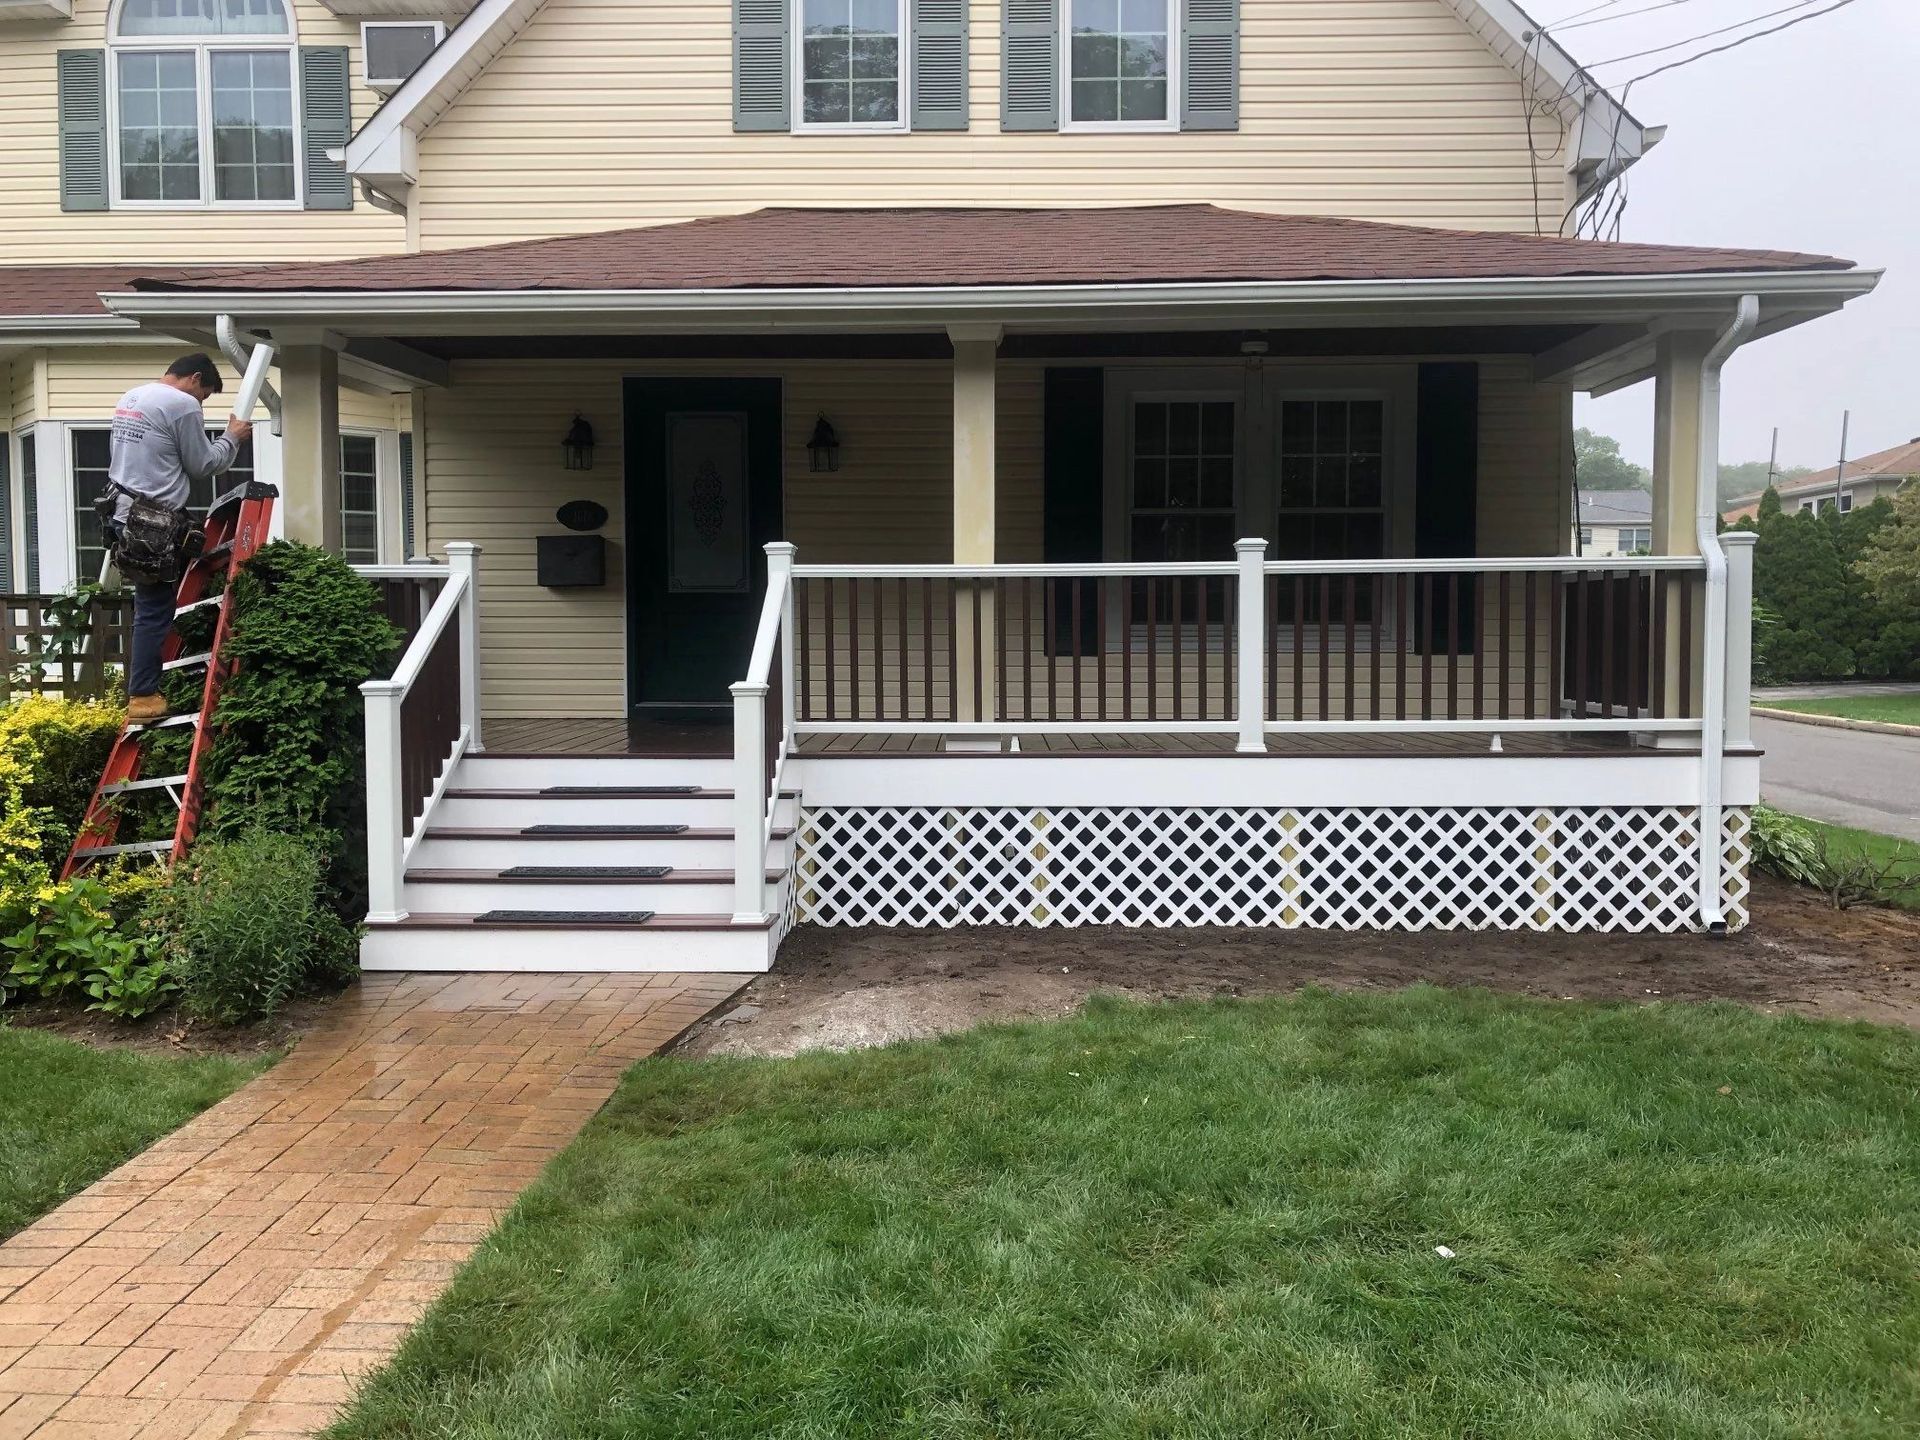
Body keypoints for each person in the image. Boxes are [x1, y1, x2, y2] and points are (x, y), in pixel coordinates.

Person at [108, 354, 252, 724]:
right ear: (195, 379)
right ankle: (142, 696)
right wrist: (231, 438)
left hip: (123, 512)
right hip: (152, 524)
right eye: (204, 395)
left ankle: (163, 675)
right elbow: (203, 465)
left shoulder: (133, 396)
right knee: (154, 608)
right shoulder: (182, 403)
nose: (200, 403)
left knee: (169, 587)